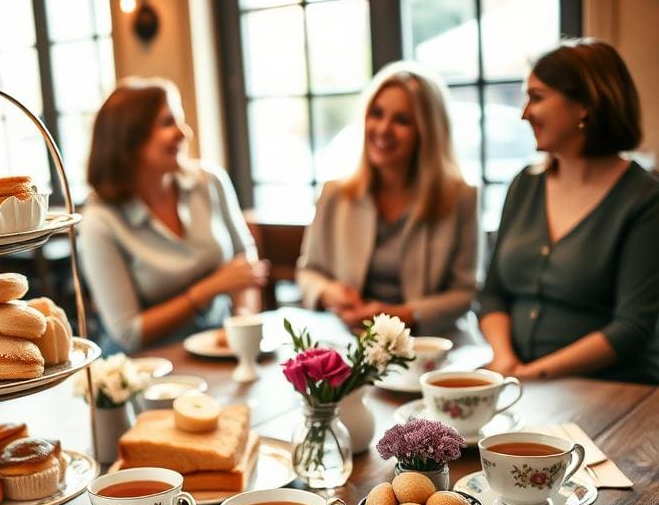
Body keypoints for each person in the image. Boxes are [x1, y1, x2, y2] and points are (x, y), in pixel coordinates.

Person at [479, 39, 659, 383]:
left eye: (537, 97)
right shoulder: (524, 184)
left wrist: (536, 373)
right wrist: (505, 361)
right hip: (516, 380)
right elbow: (492, 293)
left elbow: (632, 326)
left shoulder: (644, 198)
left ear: (585, 105)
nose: (524, 113)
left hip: (611, 388)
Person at [78, 78, 268, 353]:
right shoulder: (100, 221)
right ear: (130, 140)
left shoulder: (209, 181)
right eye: (167, 123)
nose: (184, 132)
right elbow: (129, 333)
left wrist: (242, 325)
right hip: (146, 366)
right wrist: (210, 289)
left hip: (217, 348)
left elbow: (244, 266)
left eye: (180, 120)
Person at [297, 62, 479, 337]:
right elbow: (309, 272)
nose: (383, 129)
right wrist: (331, 293)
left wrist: (406, 315)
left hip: (429, 343)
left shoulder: (461, 198)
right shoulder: (334, 194)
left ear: (427, 131)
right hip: (351, 339)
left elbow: (465, 293)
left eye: (402, 120)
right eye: (377, 114)